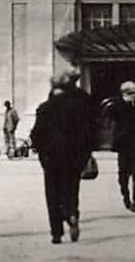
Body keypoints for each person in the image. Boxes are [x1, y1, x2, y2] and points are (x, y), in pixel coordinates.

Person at [30, 70, 96, 244]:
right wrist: (85, 153)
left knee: (52, 193)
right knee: (71, 189)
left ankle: (56, 233)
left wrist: (40, 150)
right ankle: (72, 214)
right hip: (73, 156)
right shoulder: (77, 106)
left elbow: (36, 135)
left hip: (51, 158)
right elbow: (88, 132)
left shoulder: (44, 108)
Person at [105, 80, 135, 212]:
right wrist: (121, 102)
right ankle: (125, 196)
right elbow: (108, 114)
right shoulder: (117, 105)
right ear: (124, 93)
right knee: (123, 174)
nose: (134, 95)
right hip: (124, 145)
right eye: (131, 93)